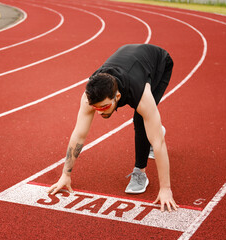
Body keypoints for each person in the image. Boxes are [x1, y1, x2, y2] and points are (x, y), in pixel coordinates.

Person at [47, 44, 178, 212]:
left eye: (104, 107)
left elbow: (159, 143)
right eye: (96, 108)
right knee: (147, 124)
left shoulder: (139, 92)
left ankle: (140, 172)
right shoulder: (89, 97)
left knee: (141, 120)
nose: (100, 112)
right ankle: (153, 127)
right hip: (128, 57)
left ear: (117, 97)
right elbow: (78, 136)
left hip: (159, 63)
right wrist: (66, 175)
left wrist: (165, 189)